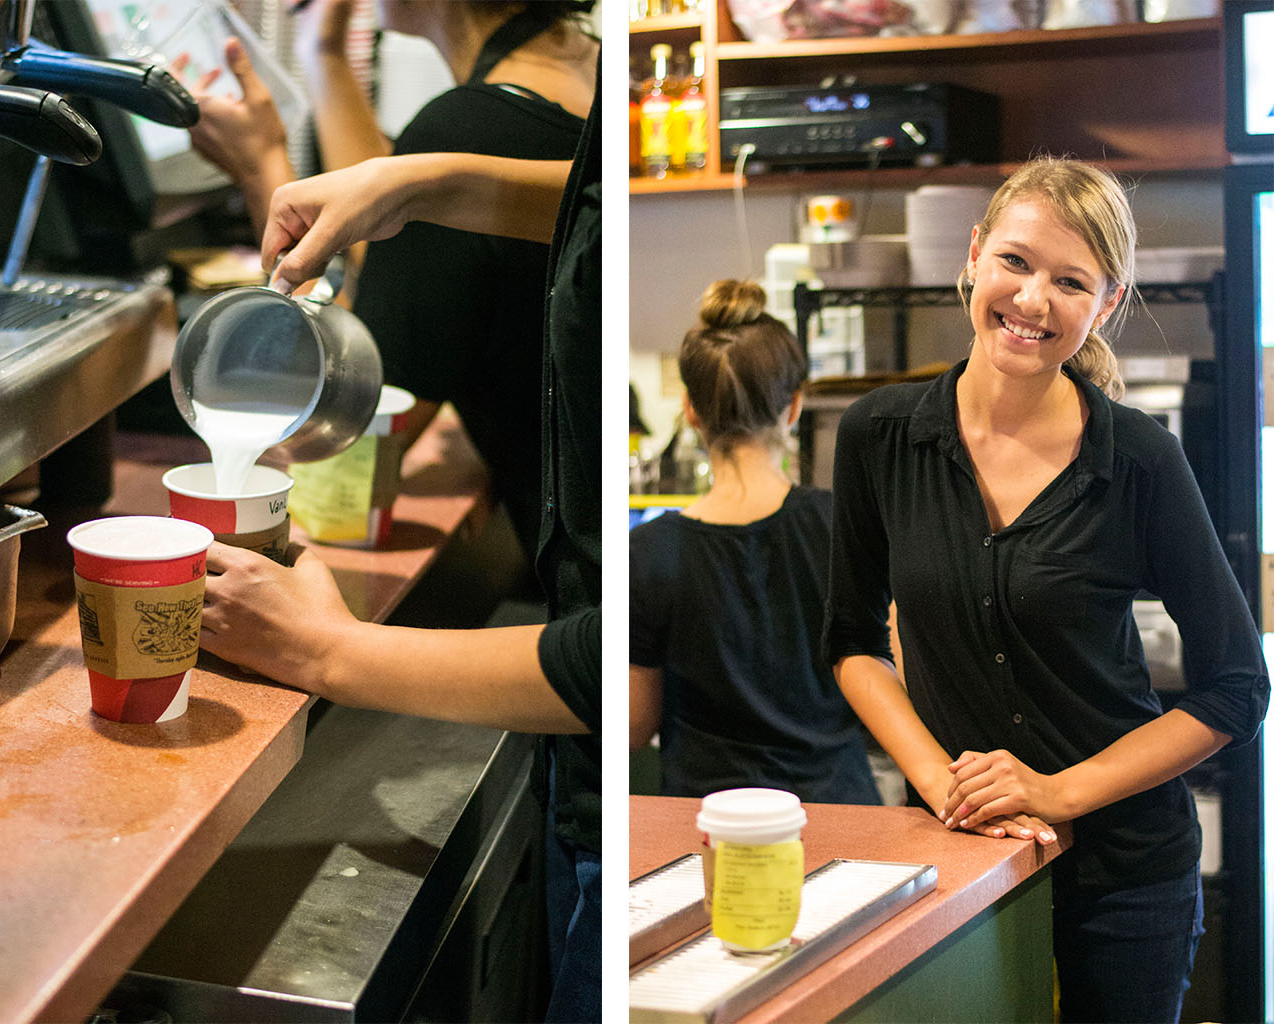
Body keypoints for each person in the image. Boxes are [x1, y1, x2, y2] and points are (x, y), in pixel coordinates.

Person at [822, 156, 1268, 1023]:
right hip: (961, 860)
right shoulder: (880, 435)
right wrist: (947, 784)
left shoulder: (1138, 458)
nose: (1032, 301)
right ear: (976, 254)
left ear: (1104, 304)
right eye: (1017, 263)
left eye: (1071, 282)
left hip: (1127, 879)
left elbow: (1237, 687)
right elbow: (851, 640)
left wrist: (1057, 791)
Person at [198, 71, 601, 1022]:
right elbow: (592, 196)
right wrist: (422, 183)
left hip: (586, 782)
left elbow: (605, 667)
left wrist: (327, 650)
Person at [185, 0, 598, 558]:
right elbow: (403, 235)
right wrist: (323, 50)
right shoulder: (585, 72)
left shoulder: (473, 126)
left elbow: (351, 430)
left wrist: (261, 168)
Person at [630, 279, 882, 806]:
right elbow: (890, 680)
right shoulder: (842, 523)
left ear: (691, 411)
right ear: (794, 407)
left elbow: (633, 726)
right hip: (843, 813)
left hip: (710, 827)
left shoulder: (648, 551)